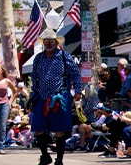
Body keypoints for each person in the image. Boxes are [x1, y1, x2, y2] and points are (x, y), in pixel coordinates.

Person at [29, 28, 82, 165]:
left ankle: (59, 159)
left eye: (51, 41)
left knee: (60, 130)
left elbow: (76, 74)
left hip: (60, 97)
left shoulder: (65, 57)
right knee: (38, 128)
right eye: (46, 41)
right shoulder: (38, 58)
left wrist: (78, 91)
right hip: (41, 97)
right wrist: (33, 92)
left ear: (56, 42)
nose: (48, 44)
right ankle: (45, 155)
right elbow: (34, 76)